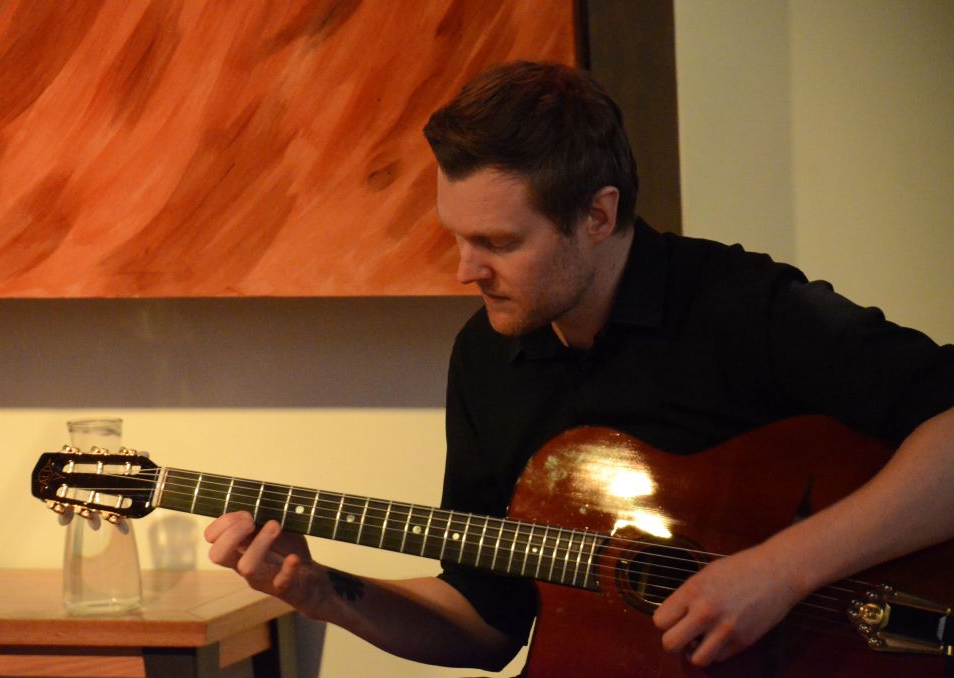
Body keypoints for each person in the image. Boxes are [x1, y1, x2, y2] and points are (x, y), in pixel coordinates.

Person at [205, 61, 954, 673]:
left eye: (499, 243)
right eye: (457, 237)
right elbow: (485, 623)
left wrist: (779, 570)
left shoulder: (741, 305)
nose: (466, 270)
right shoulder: (486, 357)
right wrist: (325, 594)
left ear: (598, 215)